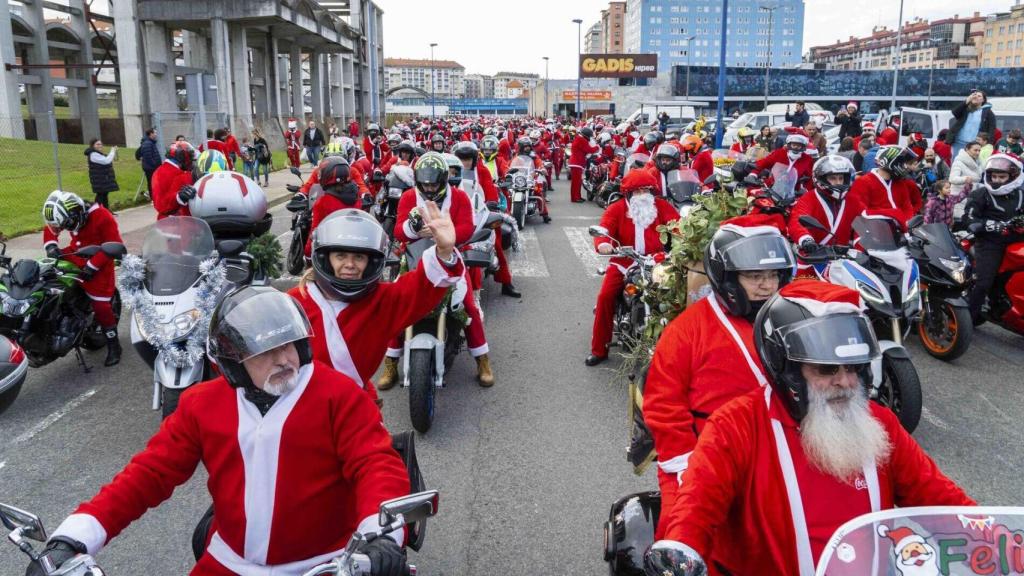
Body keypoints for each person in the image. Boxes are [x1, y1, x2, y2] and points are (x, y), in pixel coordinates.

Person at [26, 286, 411, 576]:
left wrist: (381, 535)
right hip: (230, 563)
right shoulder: (200, 404)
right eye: (262, 352)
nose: (282, 360)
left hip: (328, 564)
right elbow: (149, 474)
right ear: (231, 364)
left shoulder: (339, 394)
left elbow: (376, 463)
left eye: (288, 345)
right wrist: (77, 536)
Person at [658, 281, 975, 575]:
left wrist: (993, 533)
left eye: (853, 368)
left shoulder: (880, 423)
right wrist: (683, 546)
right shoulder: (736, 426)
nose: (845, 381)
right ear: (787, 368)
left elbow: (937, 495)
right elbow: (697, 507)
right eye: (825, 369)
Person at [643, 214, 794, 537]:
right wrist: (689, 467)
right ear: (726, 278)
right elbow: (663, 408)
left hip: (781, 450)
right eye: (754, 276)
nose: (767, 286)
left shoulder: (791, 323)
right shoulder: (686, 330)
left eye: (773, 275)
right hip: (704, 455)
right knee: (680, 535)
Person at [290, 206, 464, 404]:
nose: (350, 264)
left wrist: (444, 250)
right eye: (340, 256)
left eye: (359, 257)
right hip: (301, 409)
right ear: (325, 257)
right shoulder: (293, 305)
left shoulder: (381, 301)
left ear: (371, 261)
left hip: (355, 410)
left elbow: (422, 286)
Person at [384, 152, 495, 386]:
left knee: (469, 307)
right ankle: (391, 362)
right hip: (414, 258)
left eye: (434, 183)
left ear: (444, 179)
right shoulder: (407, 197)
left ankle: (482, 360)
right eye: (425, 184)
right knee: (395, 305)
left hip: (449, 257)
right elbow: (398, 230)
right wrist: (414, 230)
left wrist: (446, 234)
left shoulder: (460, 197)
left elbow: (467, 227)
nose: (430, 188)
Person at [586, 169, 681, 366]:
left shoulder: (662, 207)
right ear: (628, 193)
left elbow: (678, 226)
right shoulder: (617, 208)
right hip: (624, 262)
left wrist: (688, 238)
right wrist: (604, 243)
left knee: (677, 296)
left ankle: (678, 348)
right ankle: (599, 348)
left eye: (646, 190)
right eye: (637, 191)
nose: (642, 195)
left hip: (657, 262)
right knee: (605, 297)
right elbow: (605, 228)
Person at [40, 190, 124, 367]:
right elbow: (50, 228)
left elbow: (114, 244)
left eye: (67, 224)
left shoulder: (102, 216)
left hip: (101, 260)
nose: (66, 228)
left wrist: (92, 267)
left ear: (76, 213)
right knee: (46, 278)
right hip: (76, 254)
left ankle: (113, 344)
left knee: (100, 305)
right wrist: (51, 247)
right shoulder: (69, 215)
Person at [452, 141, 520, 298]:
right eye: (461, 159)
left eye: (468, 159)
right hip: (457, 217)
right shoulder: (451, 172)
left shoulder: (482, 171)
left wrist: (491, 202)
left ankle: (506, 282)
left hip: (480, 214)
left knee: (496, 245)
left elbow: (490, 191)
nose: (464, 162)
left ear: (474, 159)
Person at [963, 153, 1024, 326]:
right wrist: (990, 225)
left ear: (1013, 176)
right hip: (990, 243)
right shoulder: (980, 194)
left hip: (1018, 241)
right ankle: (967, 321)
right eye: (994, 176)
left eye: (1002, 176)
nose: (997, 180)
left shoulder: (1021, 194)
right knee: (983, 283)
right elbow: (968, 218)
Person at [303, 157, 373, 257]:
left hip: (332, 250)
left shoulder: (323, 202)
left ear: (327, 175)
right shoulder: (356, 199)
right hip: (354, 247)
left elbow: (315, 233)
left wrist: (308, 254)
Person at [849, 145, 923, 228]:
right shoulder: (863, 182)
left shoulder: (900, 184)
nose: (906, 167)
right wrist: (894, 214)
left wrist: (907, 224)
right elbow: (861, 212)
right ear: (891, 161)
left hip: (899, 234)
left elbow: (907, 208)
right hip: (871, 233)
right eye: (903, 163)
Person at [755, 129, 815, 195]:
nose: (796, 147)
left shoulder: (807, 159)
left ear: (803, 147)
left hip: (794, 192)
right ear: (789, 144)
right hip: (772, 187)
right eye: (794, 145)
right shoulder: (779, 153)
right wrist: (753, 174)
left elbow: (810, 178)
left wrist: (805, 190)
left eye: (799, 145)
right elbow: (761, 164)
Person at [151, 140, 197, 220]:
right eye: (189, 157)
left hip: (167, 221)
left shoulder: (159, 170)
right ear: (182, 157)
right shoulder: (177, 174)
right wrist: (178, 197)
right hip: (176, 222)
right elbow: (162, 205)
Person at [947, 89, 997, 159]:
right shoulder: (966, 108)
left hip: (974, 145)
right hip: (959, 142)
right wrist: (967, 100)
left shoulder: (988, 113)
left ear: (983, 100)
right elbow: (955, 112)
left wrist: (988, 144)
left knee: (971, 164)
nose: (976, 97)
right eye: (975, 95)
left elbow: (992, 129)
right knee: (956, 163)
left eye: (979, 96)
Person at [84, 138, 118, 208]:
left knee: (104, 195)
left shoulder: (96, 153)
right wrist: (112, 151)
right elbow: (106, 161)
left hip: (102, 178)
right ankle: (97, 212)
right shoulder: (93, 154)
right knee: (101, 195)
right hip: (99, 179)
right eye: (97, 144)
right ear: (93, 145)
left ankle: (106, 211)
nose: (100, 146)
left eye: (101, 144)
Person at [569, 126, 600, 203]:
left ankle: (577, 196)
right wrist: (597, 147)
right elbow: (589, 149)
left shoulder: (579, 139)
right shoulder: (581, 140)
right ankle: (575, 198)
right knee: (576, 182)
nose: (589, 137)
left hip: (577, 162)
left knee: (577, 181)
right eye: (589, 136)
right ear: (586, 135)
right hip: (577, 163)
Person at [135, 128, 162, 196]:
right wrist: (155, 165)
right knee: (151, 183)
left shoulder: (150, 142)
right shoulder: (148, 143)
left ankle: (155, 197)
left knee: (155, 183)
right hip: (151, 168)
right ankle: (153, 198)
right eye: (155, 133)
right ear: (151, 134)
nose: (156, 134)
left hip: (153, 167)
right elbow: (148, 157)